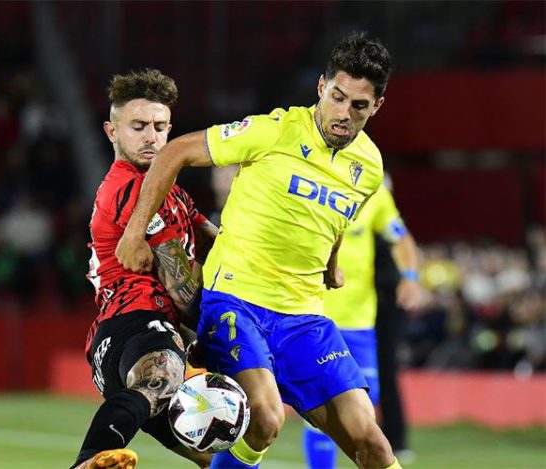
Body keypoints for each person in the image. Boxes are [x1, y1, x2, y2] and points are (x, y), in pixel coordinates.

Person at [116, 33, 402, 469]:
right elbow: (174, 152)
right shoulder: (273, 130)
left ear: (376, 107)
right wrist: (135, 233)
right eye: (338, 97)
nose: (344, 114)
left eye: (359, 106)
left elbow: (336, 220)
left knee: (374, 445)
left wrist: (332, 265)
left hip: (305, 318)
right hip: (237, 301)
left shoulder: (369, 167)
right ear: (322, 87)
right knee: (265, 417)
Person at [72, 69, 216, 469]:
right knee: (166, 374)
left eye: (159, 126)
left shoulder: (173, 193)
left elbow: (220, 244)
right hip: (135, 327)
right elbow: (184, 295)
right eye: (138, 126)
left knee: (220, 454)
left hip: (126, 353)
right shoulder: (129, 189)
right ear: (111, 131)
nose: (151, 137)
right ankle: (89, 461)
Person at [302, 181, 423, 469]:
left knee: (369, 399)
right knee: (320, 402)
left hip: (361, 320)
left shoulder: (375, 194)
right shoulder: (308, 186)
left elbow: (402, 238)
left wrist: (410, 277)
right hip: (317, 314)